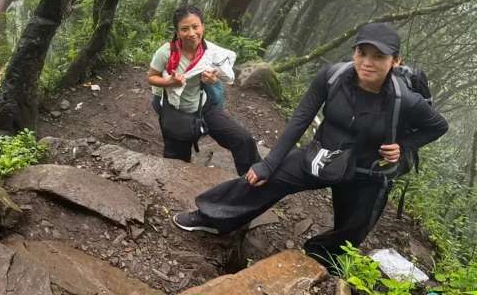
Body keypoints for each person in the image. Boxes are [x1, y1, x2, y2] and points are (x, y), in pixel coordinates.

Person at [173, 23, 449, 265]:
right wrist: (269, 163)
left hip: (367, 172)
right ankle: (210, 216)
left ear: (396, 60)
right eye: (362, 53)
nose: (367, 62)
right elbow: (301, 118)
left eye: (379, 56)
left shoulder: (405, 100)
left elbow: (438, 126)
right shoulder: (333, 77)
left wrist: (405, 145)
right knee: (261, 179)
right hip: (323, 155)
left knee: (353, 230)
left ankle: (316, 256)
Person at [147, 5, 261, 175]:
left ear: (202, 27)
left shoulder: (210, 52)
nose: (191, 33)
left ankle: (255, 182)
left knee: (243, 139)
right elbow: (151, 77)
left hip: (204, 107)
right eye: (185, 29)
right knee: (177, 161)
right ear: (178, 32)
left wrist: (212, 80)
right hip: (178, 111)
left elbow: (222, 75)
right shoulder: (166, 52)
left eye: (195, 27)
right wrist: (169, 82)